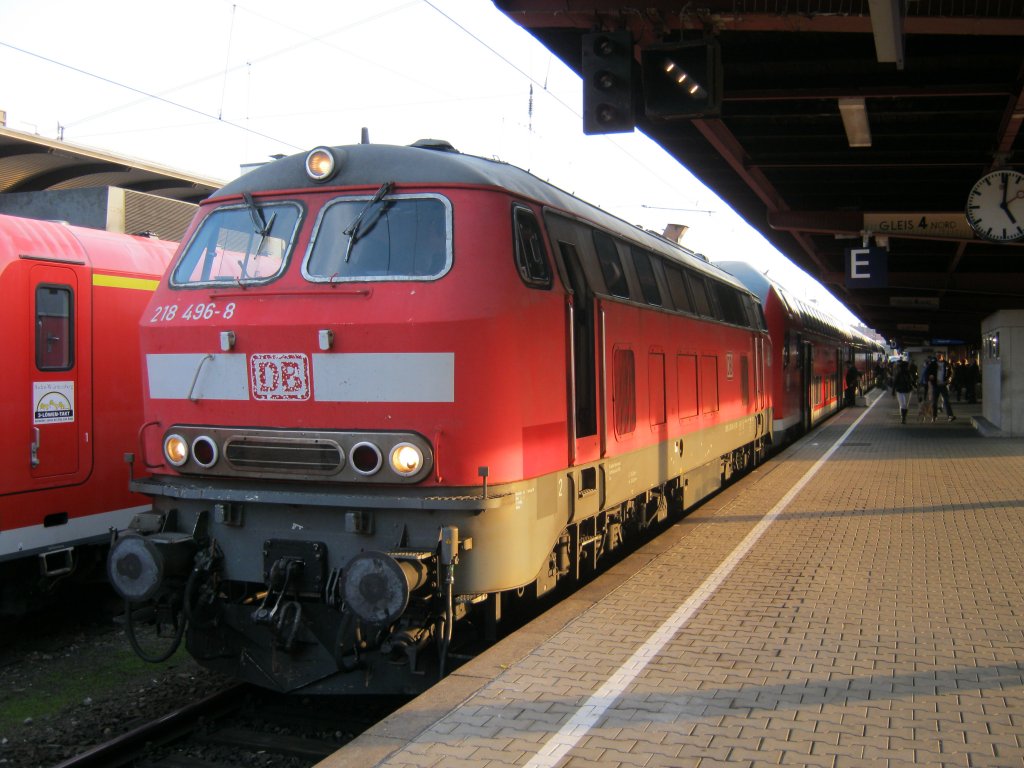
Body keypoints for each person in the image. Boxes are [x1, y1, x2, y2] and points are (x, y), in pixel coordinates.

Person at [925, 353, 956, 422]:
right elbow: (926, 373)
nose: (938, 357)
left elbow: (951, 373)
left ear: (943, 357)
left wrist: (949, 380)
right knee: (934, 402)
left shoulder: (946, 364)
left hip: (943, 385)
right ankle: (934, 416)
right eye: (937, 356)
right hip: (935, 385)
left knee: (946, 400)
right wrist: (929, 377)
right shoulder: (933, 364)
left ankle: (950, 416)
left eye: (940, 356)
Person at [891, 359, 914, 424]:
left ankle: (903, 416)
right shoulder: (899, 374)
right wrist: (893, 392)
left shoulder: (908, 373)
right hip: (901, 391)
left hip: (907, 391)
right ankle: (903, 418)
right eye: (907, 366)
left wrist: (914, 386)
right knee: (903, 404)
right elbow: (895, 383)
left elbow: (911, 381)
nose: (907, 367)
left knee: (905, 405)